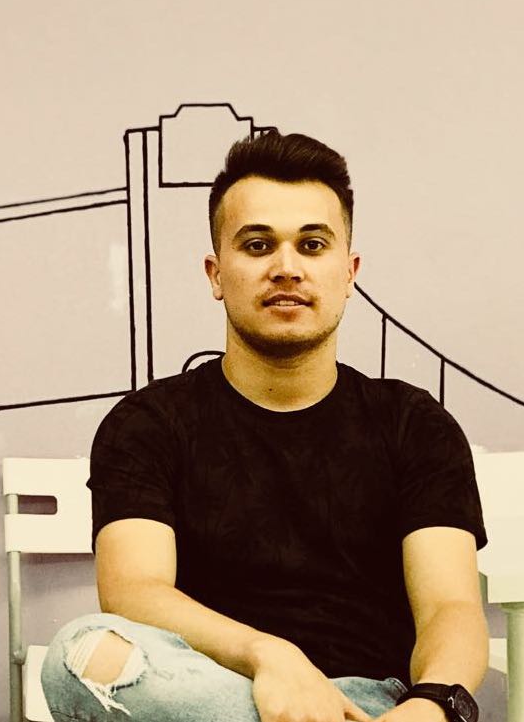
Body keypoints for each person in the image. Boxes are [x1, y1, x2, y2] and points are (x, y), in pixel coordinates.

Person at [41, 130, 489, 722]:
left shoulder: (415, 424)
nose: (286, 268)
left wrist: (432, 706)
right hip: (205, 693)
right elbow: (134, 592)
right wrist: (269, 656)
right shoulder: (148, 424)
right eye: (257, 245)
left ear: (349, 272)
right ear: (216, 274)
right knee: (80, 654)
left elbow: (450, 607)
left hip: (368, 703)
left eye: (312, 245)